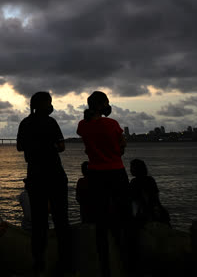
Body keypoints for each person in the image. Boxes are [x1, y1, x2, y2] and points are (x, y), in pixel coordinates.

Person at [17, 91, 72, 275]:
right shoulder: (51, 122)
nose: (51, 105)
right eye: (49, 102)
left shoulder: (25, 123)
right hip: (55, 175)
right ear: (42, 105)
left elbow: (20, 146)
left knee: (39, 224)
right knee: (61, 221)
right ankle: (65, 262)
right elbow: (61, 146)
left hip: (35, 177)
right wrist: (50, 146)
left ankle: (38, 263)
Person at [76, 91, 130, 277]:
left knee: (100, 219)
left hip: (95, 174)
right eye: (106, 102)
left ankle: (104, 263)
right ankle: (126, 260)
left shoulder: (83, 125)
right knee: (123, 216)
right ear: (100, 105)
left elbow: (85, 134)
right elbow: (121, 146)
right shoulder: (112, 124)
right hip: (116, 172)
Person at [129, 159, 170, 227]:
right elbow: (156, 196)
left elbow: (133, 199)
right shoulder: (150, 180)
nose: (130, 170)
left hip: (142, 212)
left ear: (137, 169)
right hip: (153, 209)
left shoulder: (134, 182)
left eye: (132, 167)